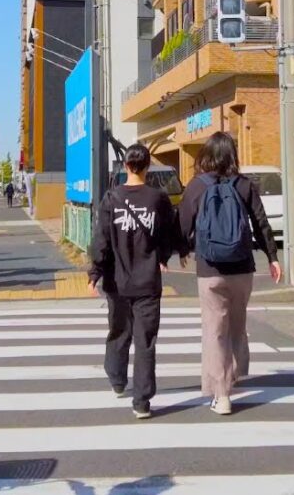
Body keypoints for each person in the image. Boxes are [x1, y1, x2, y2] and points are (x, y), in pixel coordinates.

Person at [178, 131, 281, 416]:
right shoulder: (244, 185)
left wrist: (182, 250)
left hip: (210, 269)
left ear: (207, 155)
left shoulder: (197, 186)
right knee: (237, 323)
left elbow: (183, 222)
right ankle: (234, 373)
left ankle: (221, 394)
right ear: (232, 155)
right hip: (242, 268)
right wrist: (273, 257)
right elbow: (260, 223)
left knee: (214, 331)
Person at [88, 143, 181, 420]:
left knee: (119, 332)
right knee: (146, 341)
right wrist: (164, 257)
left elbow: (101, 240)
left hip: (117, 281)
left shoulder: (111, 199)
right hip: (148, 281)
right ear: (148, 166)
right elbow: (168, 235)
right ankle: (141, 402)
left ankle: (117, 380)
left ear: (126, 166)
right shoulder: (158, 199)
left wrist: (95, 273)